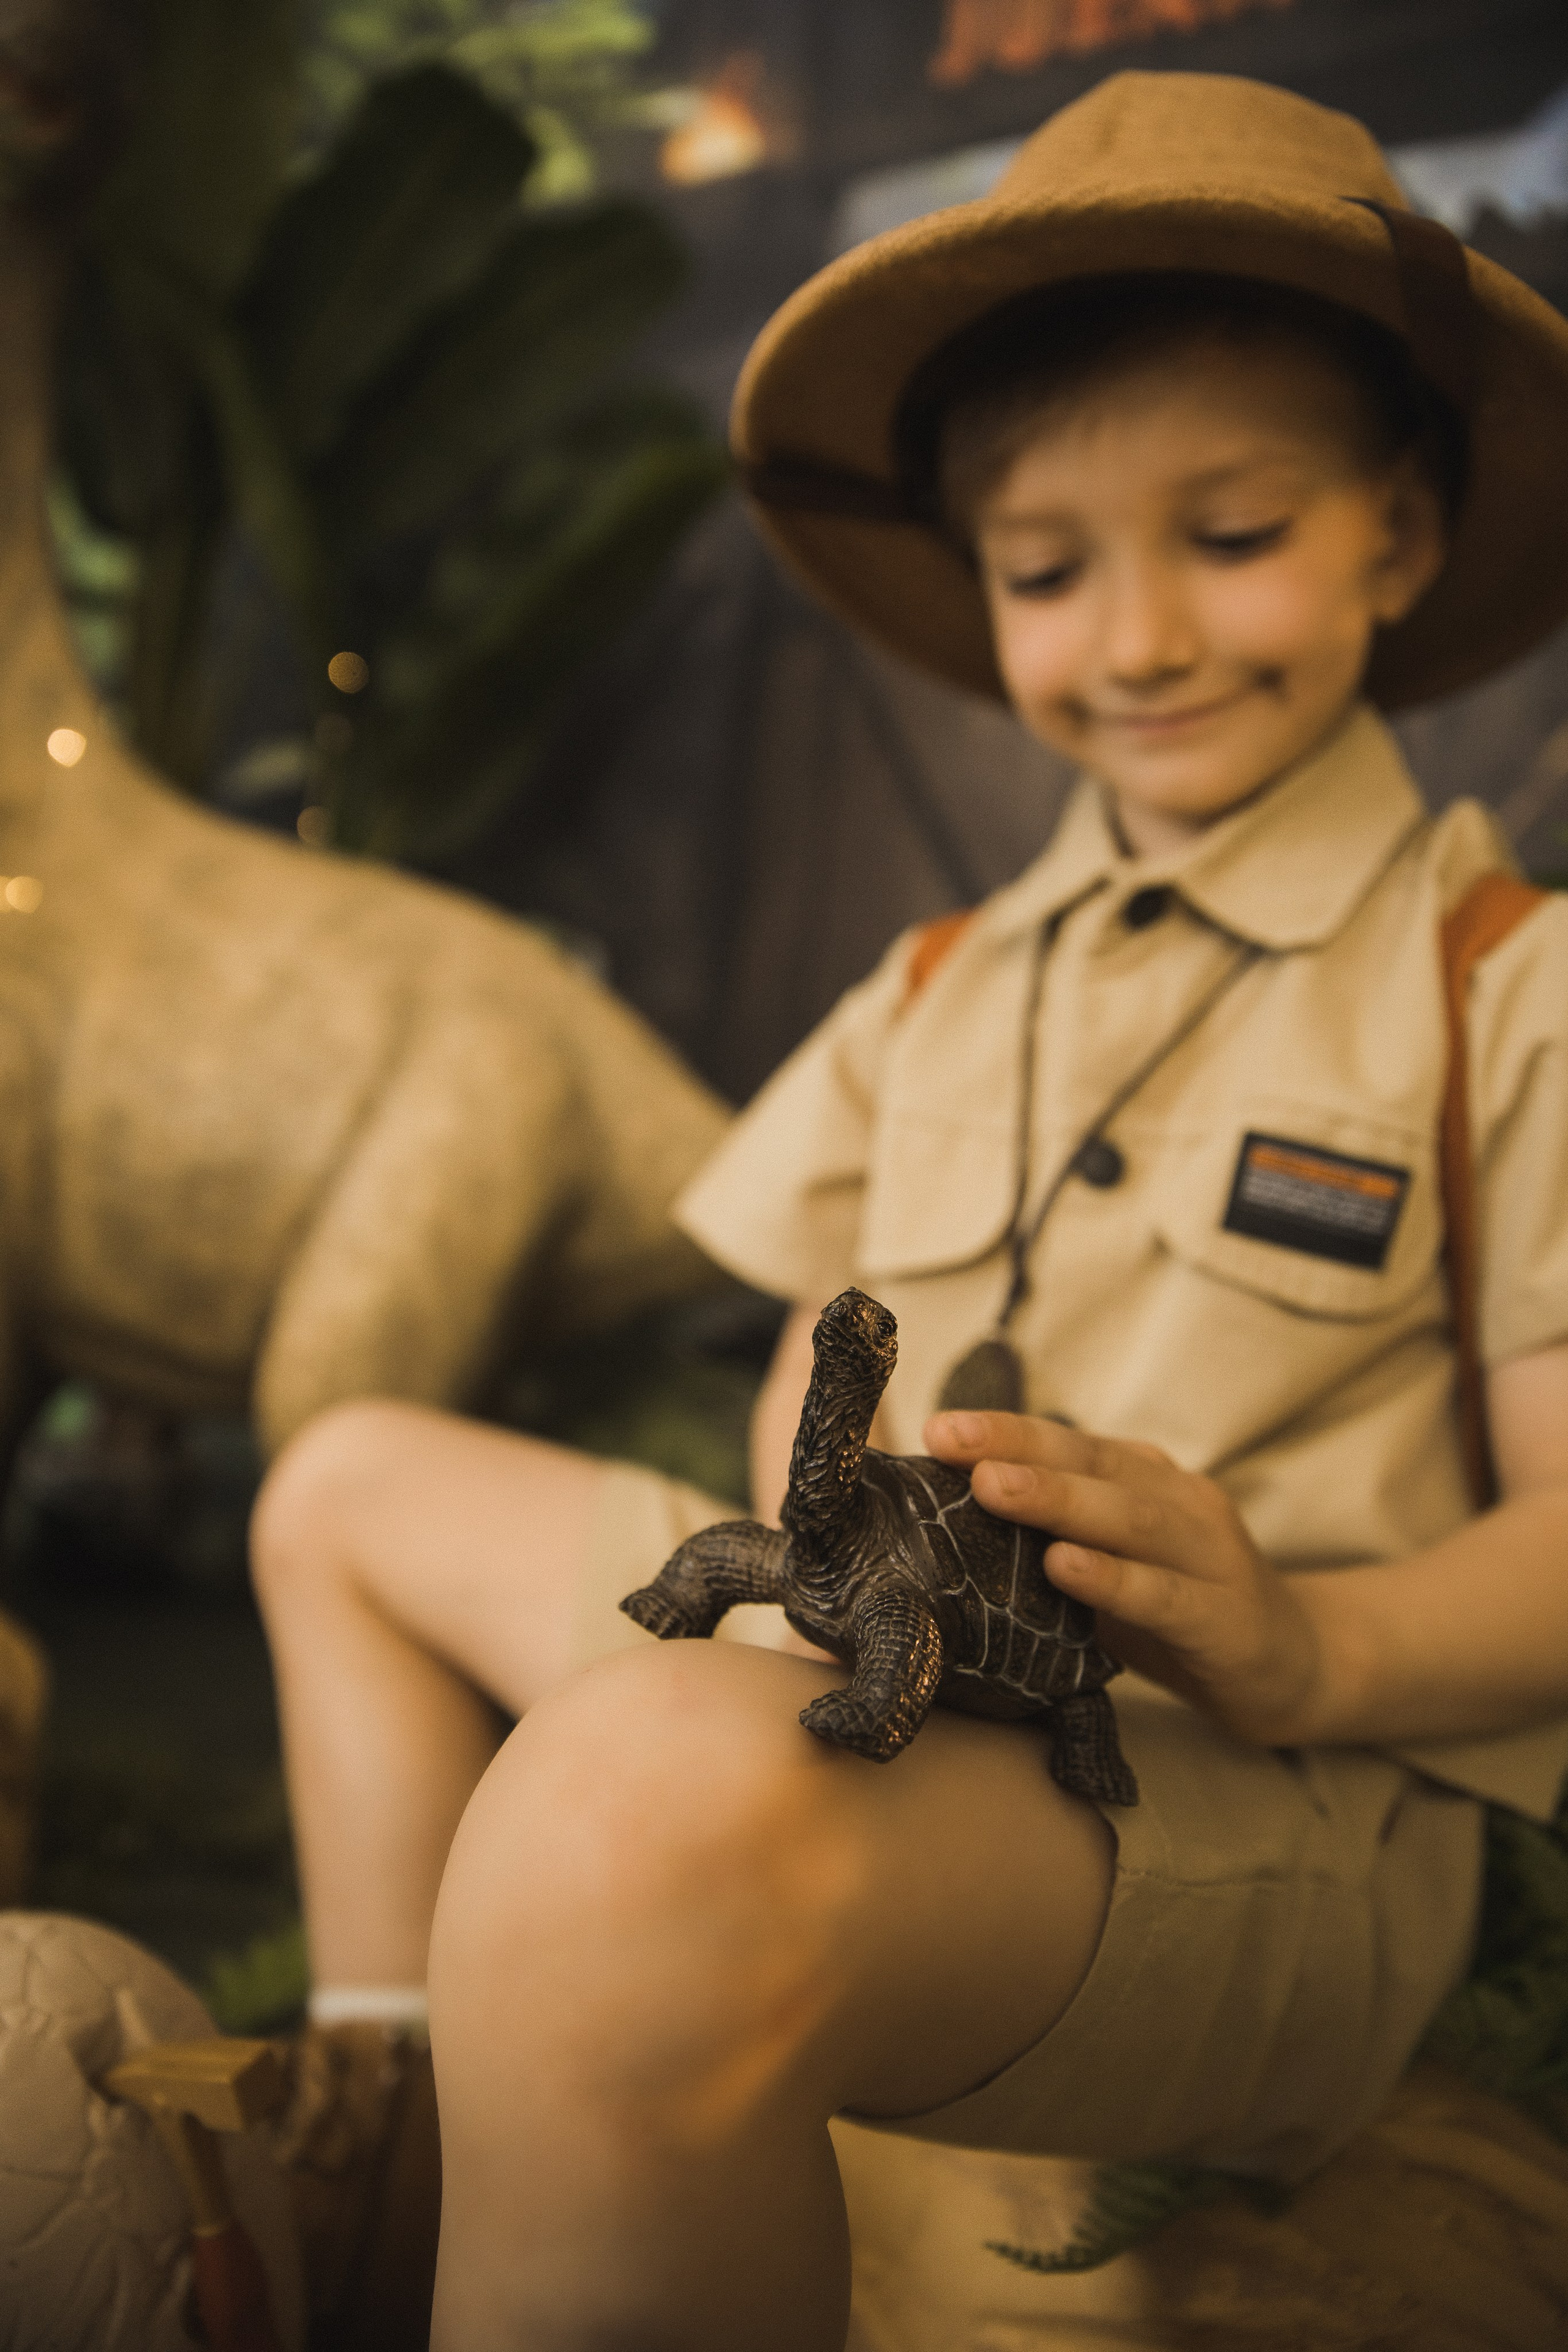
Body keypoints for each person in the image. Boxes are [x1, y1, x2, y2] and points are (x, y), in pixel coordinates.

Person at [250, 71, 1568, 2352]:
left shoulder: (1502, 990)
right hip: (881, 1627)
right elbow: (807, 1392)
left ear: (1403, 530)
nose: (1137, 636)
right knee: (347, 1483)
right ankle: (387, 2123)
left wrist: (1311, 1645)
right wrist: (783, 1603)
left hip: (1218, 1770)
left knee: (622, 1811)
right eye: (1049, 571)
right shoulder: (932, 987)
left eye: (1232, 533)